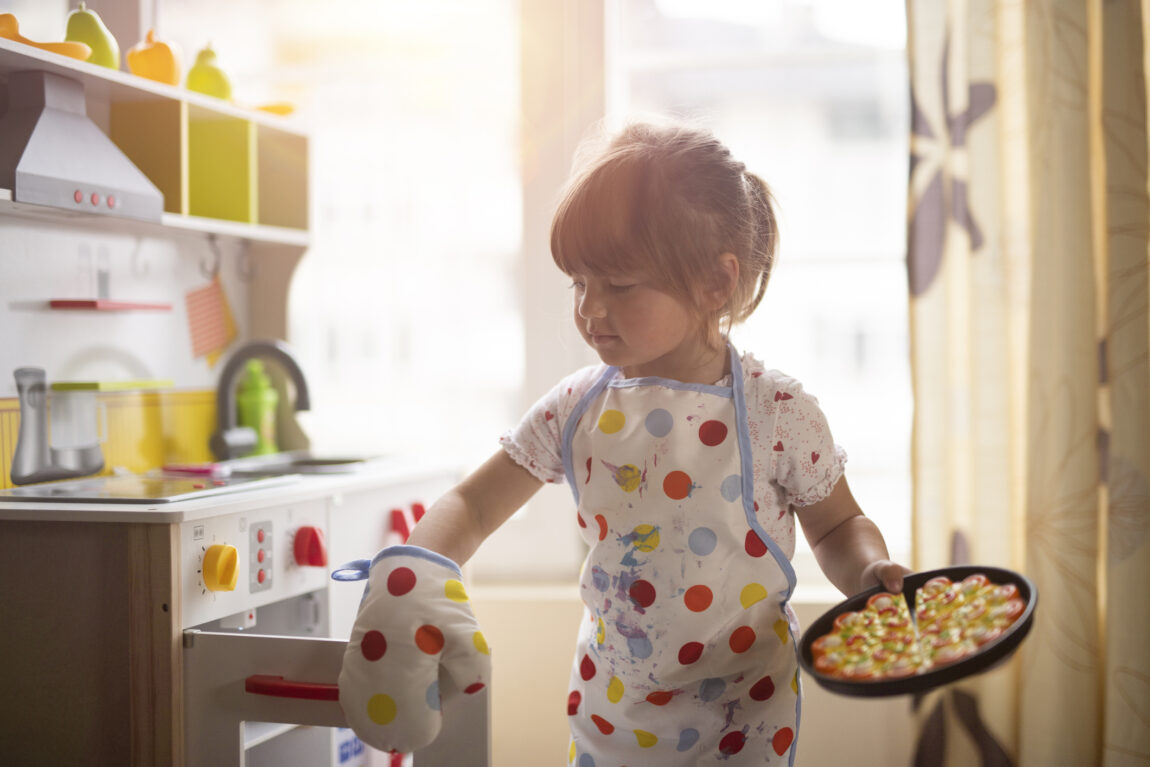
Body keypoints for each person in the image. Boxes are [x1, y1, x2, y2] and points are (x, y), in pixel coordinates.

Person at [336, 119, 910, 765]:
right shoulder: (574, 408)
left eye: (619, 284)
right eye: (579, 283)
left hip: (742, 719)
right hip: (612, 712)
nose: (590, 309)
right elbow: (473, 506)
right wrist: (415, 567)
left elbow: (837, 527)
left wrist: (866, 572)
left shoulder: (779, 412)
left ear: (715, 284)